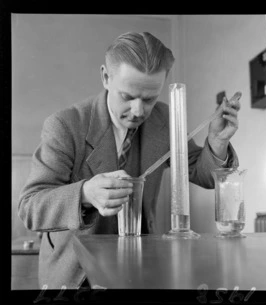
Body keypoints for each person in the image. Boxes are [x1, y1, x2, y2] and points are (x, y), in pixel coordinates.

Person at [18, 31, 240, 289]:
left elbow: (200, 173)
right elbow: (30, 208)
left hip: (140, 269)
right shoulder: (65, 125)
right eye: (127, 96)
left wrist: (217, 142)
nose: (138, 111)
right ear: (105, 77)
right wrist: (85, 193)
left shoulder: (164, 119)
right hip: (76, 275)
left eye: (149, 99)